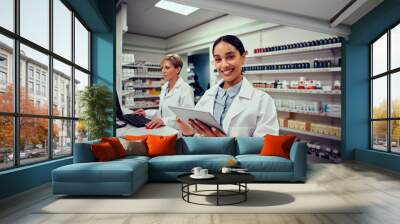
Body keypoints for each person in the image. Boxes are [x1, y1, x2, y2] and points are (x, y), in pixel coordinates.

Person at [177, 35, 279, 137]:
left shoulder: (263, 101)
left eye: (230, 57)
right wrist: (189, 133)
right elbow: (198, 135)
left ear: (243, 57)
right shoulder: (208, 96)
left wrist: (225, 144)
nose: (224, 65)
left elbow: (265, 147)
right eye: (218, 59)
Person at [133, 54, 194, 129]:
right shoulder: (165, 88)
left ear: (177, 69)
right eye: (162, 68)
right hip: (164, 130)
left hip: (178, 134)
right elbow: (162, 113)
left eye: (167, 68)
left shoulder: (185, 89)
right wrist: (146, 113)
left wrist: (164, 121)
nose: (163, 71)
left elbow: (186, 118)